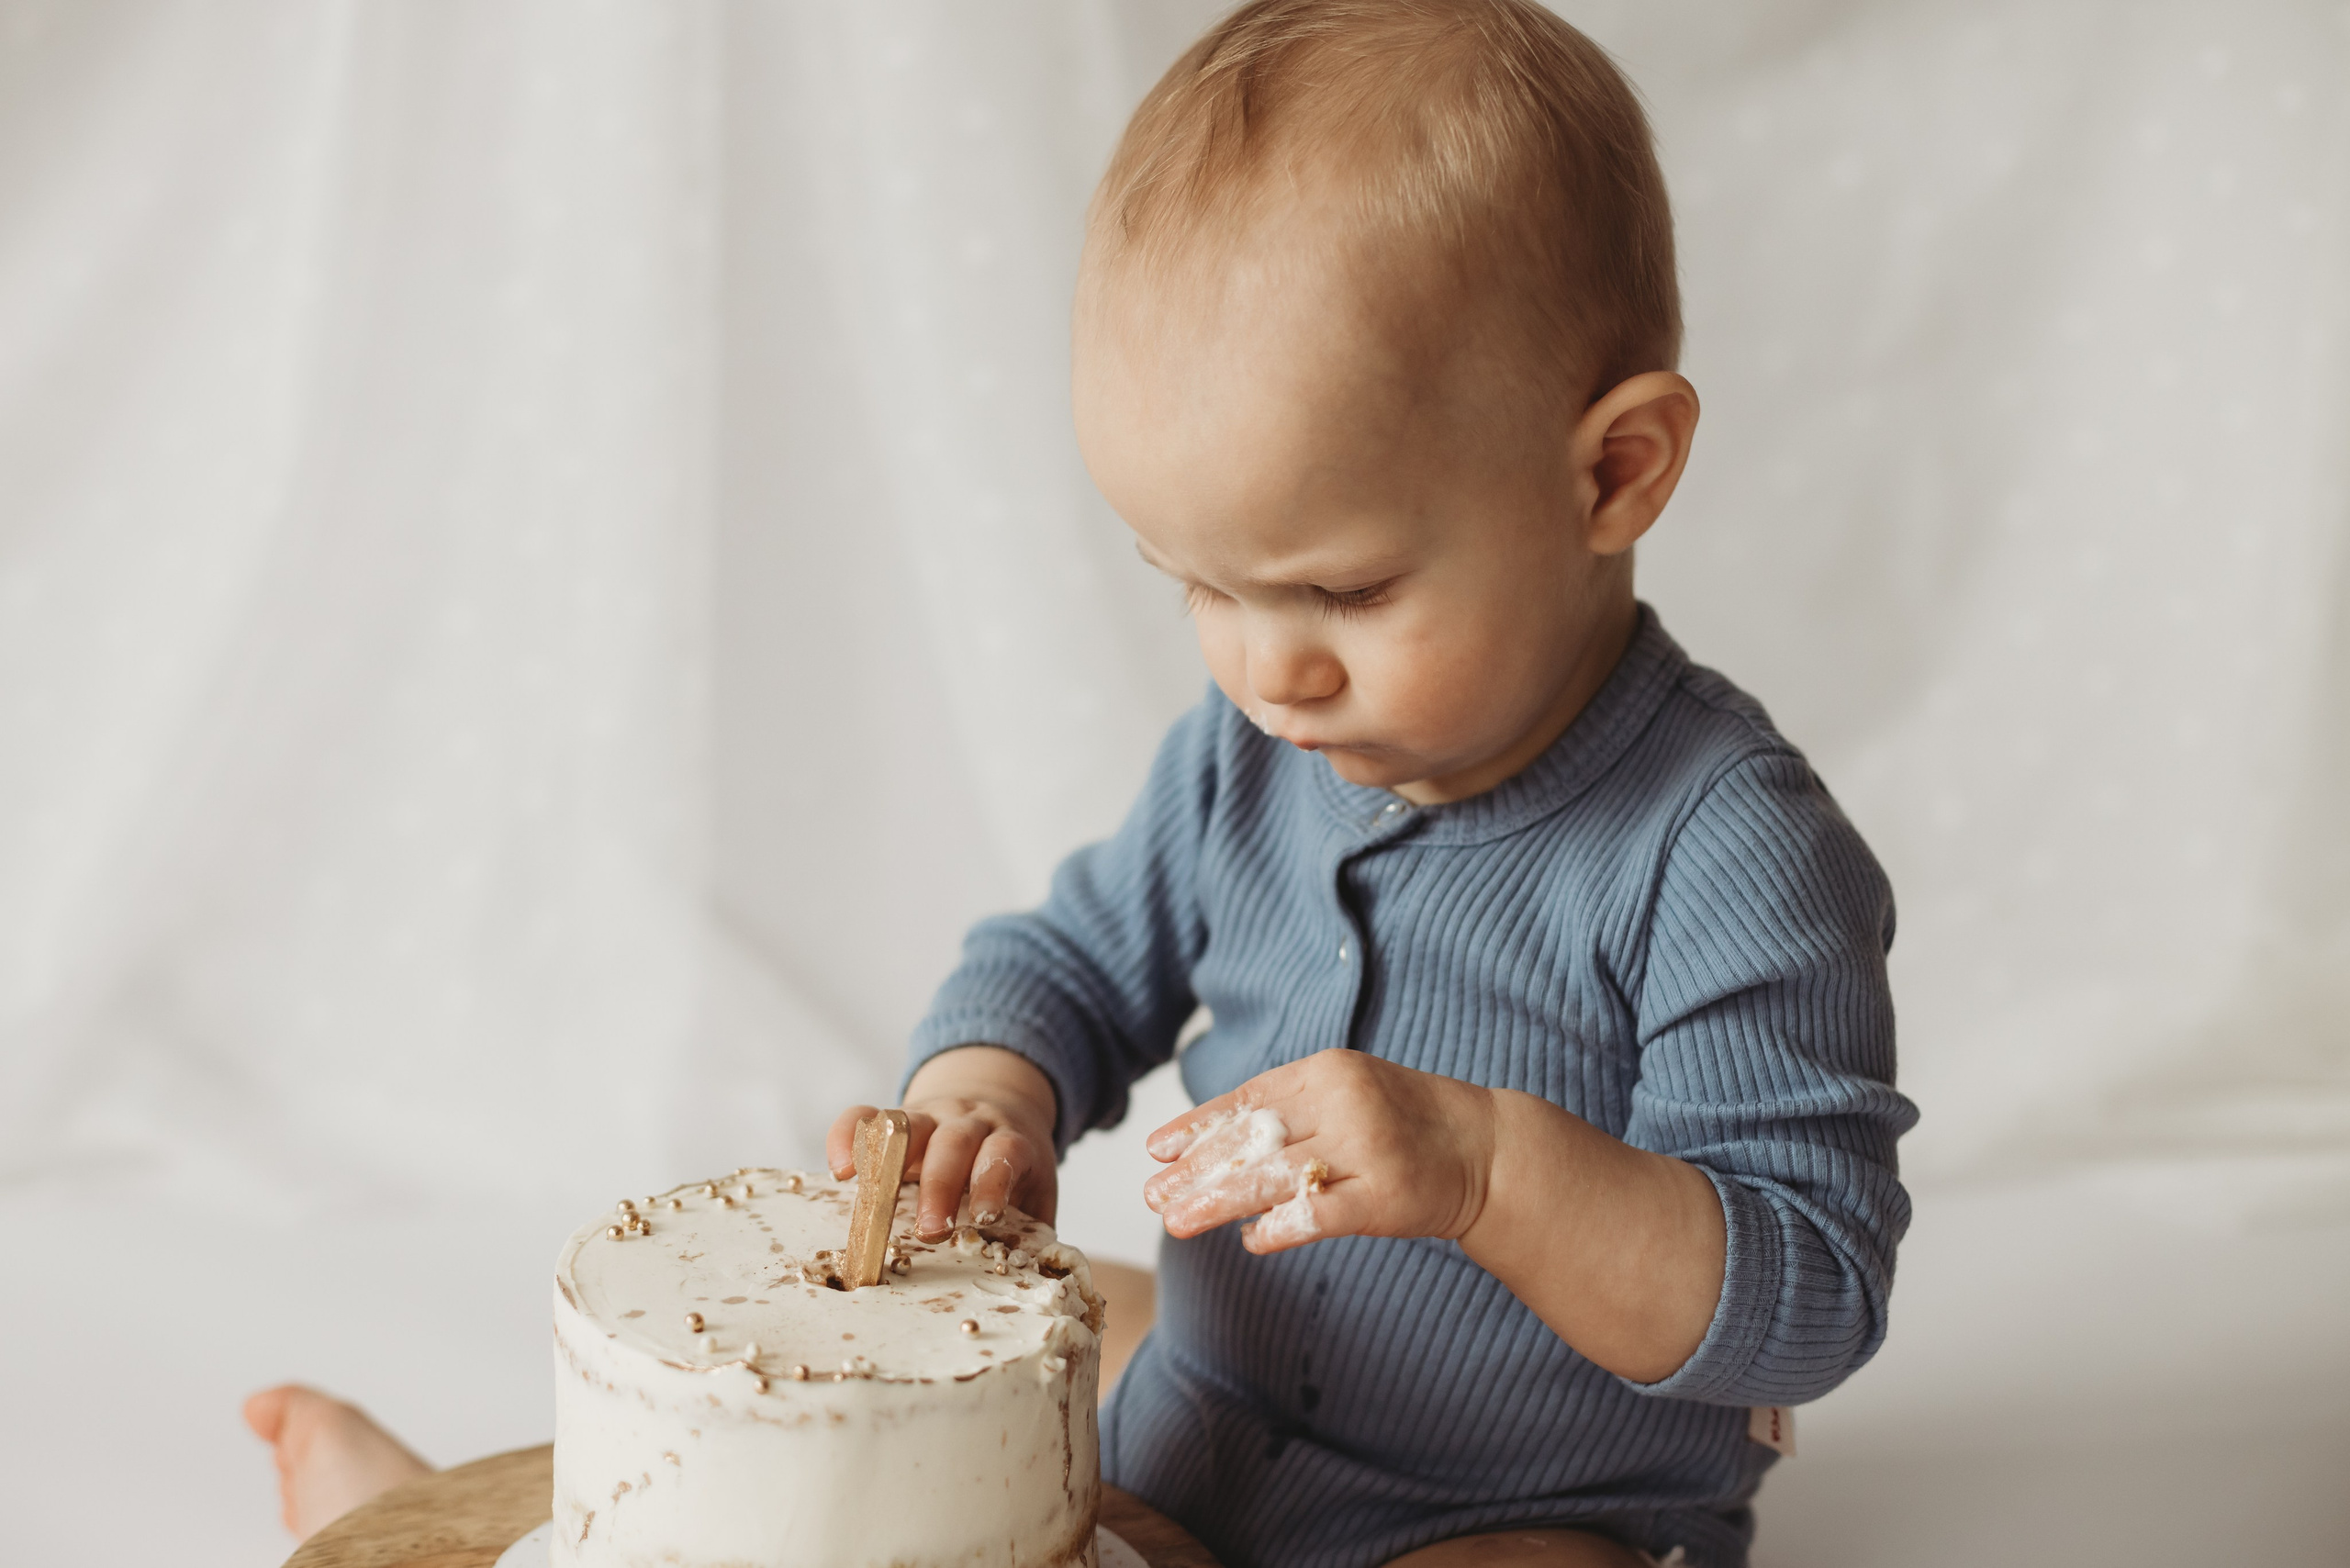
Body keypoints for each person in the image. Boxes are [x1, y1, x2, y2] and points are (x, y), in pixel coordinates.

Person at [824, 4, 1915, 1567]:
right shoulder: (1246, 760)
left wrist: (1487, 1170)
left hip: (1525, 1513)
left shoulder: (1726, 849)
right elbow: (1065, 961)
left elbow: (1808, 1295)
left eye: (1342, 592)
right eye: (1196, 585)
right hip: (1199, 1425)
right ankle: (510, 1524)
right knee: (919, 1502)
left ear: (1613, 473)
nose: (1269, 674)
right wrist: (986, 1099)